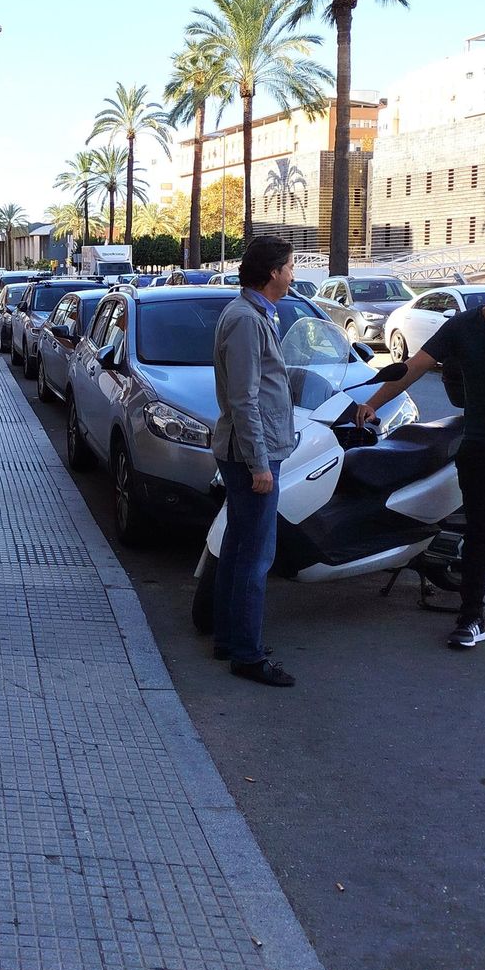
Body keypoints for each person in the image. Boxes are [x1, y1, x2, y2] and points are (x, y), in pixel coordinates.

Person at [355, 252, 485, 650]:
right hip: (480, 443)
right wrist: (374, 403)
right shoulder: (461, 325)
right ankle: (471, 616)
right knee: (480, 531)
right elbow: (415, 366)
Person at [207, 235, 298, 687]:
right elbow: (244, 400)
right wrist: (260, 464)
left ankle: (230, 638)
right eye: (289, 266)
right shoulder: (246, 319)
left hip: (249, 451)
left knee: (242, 548)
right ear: (272, 272)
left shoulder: (256, 313)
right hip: (249, 456)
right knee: (256, 557)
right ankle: (246, 652)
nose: (293, 273)